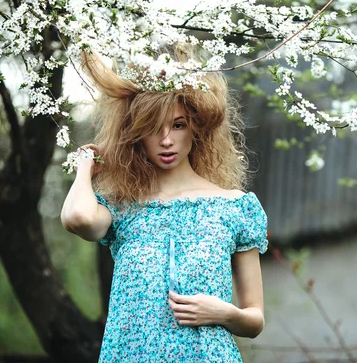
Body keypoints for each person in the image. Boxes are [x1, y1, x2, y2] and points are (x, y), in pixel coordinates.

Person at [60, 46, 269, 362]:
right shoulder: (123, 208)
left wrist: (223, 312)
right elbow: (78, 218)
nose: (166, 140)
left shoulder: (234, 208)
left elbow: (255, 319)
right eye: (152, 128)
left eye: (178, 125)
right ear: (136, 134)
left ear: (195, 126)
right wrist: (87, 165)